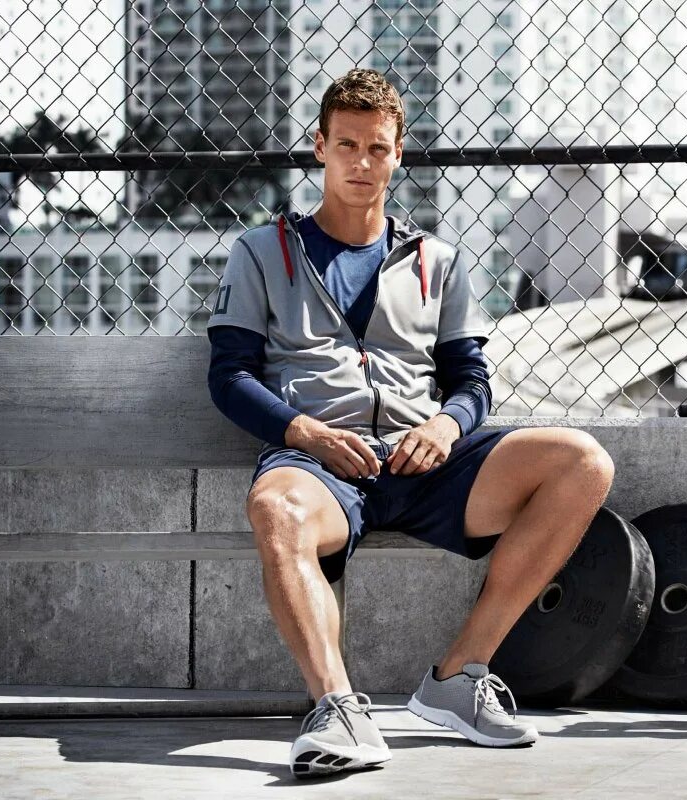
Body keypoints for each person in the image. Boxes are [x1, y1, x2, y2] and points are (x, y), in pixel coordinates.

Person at [205, 68, 616, 778]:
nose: (362, 163)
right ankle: (336, 707)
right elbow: (230, 376)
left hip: (423, 463)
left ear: (399, 154)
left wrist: (446, 429)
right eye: (347, 145)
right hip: (321, 463)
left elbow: (472, 381)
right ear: (320, 148)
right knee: (275, 509)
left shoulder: (438, 260)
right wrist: (306, 433)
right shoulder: (261, 252)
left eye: (377, 148)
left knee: (582, 462)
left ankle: (459, 676)